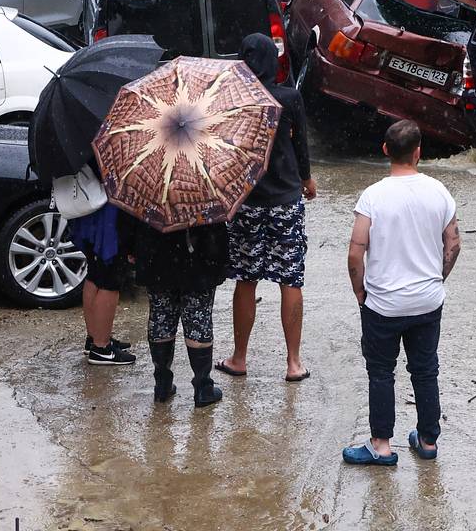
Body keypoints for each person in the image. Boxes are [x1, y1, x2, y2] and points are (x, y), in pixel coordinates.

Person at [343, 119, 461, 466]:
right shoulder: (439, 191)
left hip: (383, 304)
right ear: (419, 152)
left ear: (385, 151)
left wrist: (360, 292)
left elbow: (355, 253)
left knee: (381, 372)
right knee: (425, 370)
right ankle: (427, 441)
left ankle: (381, 445)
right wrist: (436, 280)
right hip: (427, 300)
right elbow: (453, 243)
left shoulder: (373, 196)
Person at [217, 33, 316, 383]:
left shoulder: (235, 103)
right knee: (290, 279)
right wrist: (306, 180)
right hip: (285, 201)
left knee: (246, 279)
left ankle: (239, 358)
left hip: (247, 203)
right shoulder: (289, 99)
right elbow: (301, 145)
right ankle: (293, 362)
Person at [128, 218, 231, 408]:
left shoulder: (149, 187)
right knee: (198, 315)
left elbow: (131, 208)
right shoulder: (205, 186)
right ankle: (202, 387)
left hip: (154, 243)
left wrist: (131, 243)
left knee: (161, 312)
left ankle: (162, 384)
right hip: (199, 244)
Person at [72, 198, 136, 367]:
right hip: (108, 215)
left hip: (92, 207)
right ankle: (101, 348)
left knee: (95, 273)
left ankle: (95, 338)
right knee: (110, 278)